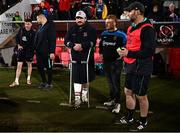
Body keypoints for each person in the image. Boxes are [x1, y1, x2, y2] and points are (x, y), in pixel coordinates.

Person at [116, 2, 156, 131]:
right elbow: (131, 45)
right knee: (128, 92)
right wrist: (124, 52)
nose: (127, 13)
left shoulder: (147, 28)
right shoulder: (131, 27)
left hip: (143, 66)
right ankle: (129, 117)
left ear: (137, 11)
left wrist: (129, 53)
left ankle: (143, 121)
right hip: (130, 65)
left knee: (141, 96)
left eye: (129, 11)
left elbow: (149, 51)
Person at [64, 10, 97, 108]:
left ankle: (84, 94)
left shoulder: (91, 29)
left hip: (87, 58)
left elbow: (93, 42)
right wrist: (73, 45)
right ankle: (77, 98)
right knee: (76, 77)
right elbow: (66, 40)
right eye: (77, 18)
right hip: (75, 57)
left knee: (86, 77)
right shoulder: (72, 29)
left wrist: (82, 45)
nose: (79, 20)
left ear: (85, 19)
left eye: (81, 18)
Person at [99, 14, 126, 113]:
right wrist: (101, 53)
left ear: (115, 23)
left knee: (116, 82)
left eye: (109, 22)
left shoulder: (121, 35)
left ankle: (118, 103)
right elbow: (102, 45)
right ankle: (112, 99)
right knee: (110, 82)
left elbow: (124, 46)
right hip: (106, 62)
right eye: (106, 22)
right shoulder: (104, 33)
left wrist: (121, 54)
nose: (107, 24)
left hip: (116, 62)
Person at [9, 18, 36, 87]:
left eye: (28, 24)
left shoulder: (33, 32)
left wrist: (33, 50)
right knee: (19, 65)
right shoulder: (21, 30)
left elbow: (34, 43)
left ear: (31, 24)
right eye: (25, 24)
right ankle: (16, 81)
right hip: (22, 51)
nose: (27, 25)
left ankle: (28, 79)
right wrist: (18, 45)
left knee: (29, 65)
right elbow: (17, 38)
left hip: (29, 51)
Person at [34, 12, 56, 90]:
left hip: (47, 52)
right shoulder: (40, 27)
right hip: (39, 52)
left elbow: (52, 40)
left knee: (48, 68)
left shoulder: (50, 26)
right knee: (40, 67)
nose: (36, 20)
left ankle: (49, 84)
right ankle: (44, 82)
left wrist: (52, 52)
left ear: (41, 17)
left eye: (37, 19)